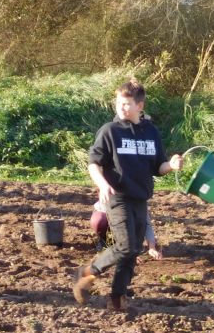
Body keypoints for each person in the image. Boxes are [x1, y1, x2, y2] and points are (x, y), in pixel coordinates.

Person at [72, 80, 183, 312]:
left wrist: (171, 165)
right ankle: (87, 272)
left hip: (140, 198)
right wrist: (102, 185)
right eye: (119, 103)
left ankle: (117, 297)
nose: (121, 107)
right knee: (125, 246)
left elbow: (159, 167)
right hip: (117, 196)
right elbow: (93, 163)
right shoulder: (110, 131)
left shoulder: (151, 132)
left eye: (127, 104)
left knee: (133, 250)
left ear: (139, 106)